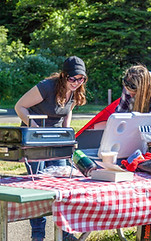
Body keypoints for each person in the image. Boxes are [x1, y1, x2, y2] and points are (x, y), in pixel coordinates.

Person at [15, 56, 87, 241]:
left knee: (62, 185)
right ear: (64, 76)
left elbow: (67, 109)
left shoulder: (75, 91)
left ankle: (65, 234)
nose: (77, 83)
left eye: (81, 79)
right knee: (37, 188)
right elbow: (19, 106)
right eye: (73, 78)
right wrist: (35, 129)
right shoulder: (46, 87)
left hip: (56, 140)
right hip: (34, 140)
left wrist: (66, 132)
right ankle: (37, 235)